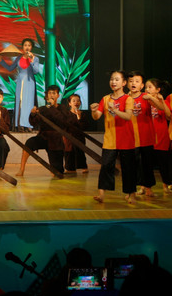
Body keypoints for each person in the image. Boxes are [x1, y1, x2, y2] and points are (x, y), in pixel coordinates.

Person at [91, 70, 136, 204]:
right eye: (111, 79)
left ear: (124, 83)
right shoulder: (105, 99)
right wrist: (94, 111)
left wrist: (115, 110)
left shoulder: (128, 99)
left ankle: (131, 194)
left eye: (117, 79)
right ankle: (101, 194)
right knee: (105, 165)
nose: (113, 82)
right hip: (110, 139)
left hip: (126, 139)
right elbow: (97, 117)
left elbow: (128, 116)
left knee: (128, 168)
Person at [128, 71, 165, 196]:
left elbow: (161, 107)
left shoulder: (145, 97)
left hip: (146, 137)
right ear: (127, 84)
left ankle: (148, 188)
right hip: (131, 138)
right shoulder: (125, 98)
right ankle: (133, 189)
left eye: (137, 81)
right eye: (131, 81)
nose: (133, 83)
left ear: (142, 85)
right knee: (133, 165)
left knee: (147, 164)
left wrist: (152, 98)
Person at [23, 85, 69, 176]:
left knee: (57, 171)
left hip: (56, 141)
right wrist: (32, 114)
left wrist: (52, 107)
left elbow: (62, 121)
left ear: (58, 95)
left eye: (54, 93)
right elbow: (34, 123)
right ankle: (21, 169)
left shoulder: (62, 108)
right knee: (29, 142)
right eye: (50, 93)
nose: (51, 95)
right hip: (43, 137)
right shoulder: (43, 109)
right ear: (47, 95)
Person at [0, 38, 41, 131]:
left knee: (29, 103)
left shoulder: (35, 58)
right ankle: (19, 125)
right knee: (20, 102)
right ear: (22, 47)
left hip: (30, 82)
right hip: (20, 82)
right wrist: (2, 61)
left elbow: (36, 71)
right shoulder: (18, 58)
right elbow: (10, 68)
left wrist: (31, 60)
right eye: (25, 45)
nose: (27, 47)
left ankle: (28, 125)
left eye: (29, 45)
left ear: (31, 47)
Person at [146, 78, 172, 191]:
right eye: (146, 87)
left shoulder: (164, 102)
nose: (147, 89)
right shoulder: (145, 101)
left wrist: (162, 101)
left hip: (161, 136)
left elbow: (169, 116)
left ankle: (165, 184)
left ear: (158, 90)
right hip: (148, 137)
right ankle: (145, 187)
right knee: (146, 164)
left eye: (150, 87)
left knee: (163, 163)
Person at [63, 93, 90, 173]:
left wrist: (79, 117)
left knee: (80, 152)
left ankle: (83, 166)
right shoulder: (66, 114)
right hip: (69, 137)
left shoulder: (83, 114)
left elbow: (84, 126)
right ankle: (69, 168)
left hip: (79, 137)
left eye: (78, 101)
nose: (76, 102)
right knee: (69, 152)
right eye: (74, 101)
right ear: (69, 103)